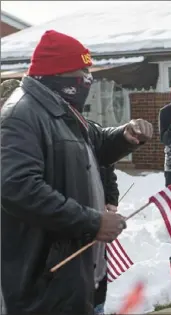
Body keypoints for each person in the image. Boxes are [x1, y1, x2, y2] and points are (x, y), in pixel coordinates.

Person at [1, 30, 153, 315]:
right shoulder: (21, 116)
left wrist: (125, 135)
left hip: (78, 278)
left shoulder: (63, 110)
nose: (88, 78)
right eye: (82, 71)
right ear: (56, 73)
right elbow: (17, 188)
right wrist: (91, 221)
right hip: (46, 287)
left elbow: (96, 142)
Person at [89, 120, 121, 315]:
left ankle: (98, 306)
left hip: (100, 210)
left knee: (100, 262)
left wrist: (111, 198)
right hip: (80, 214)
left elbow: (109, 171)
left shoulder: (93, 132)